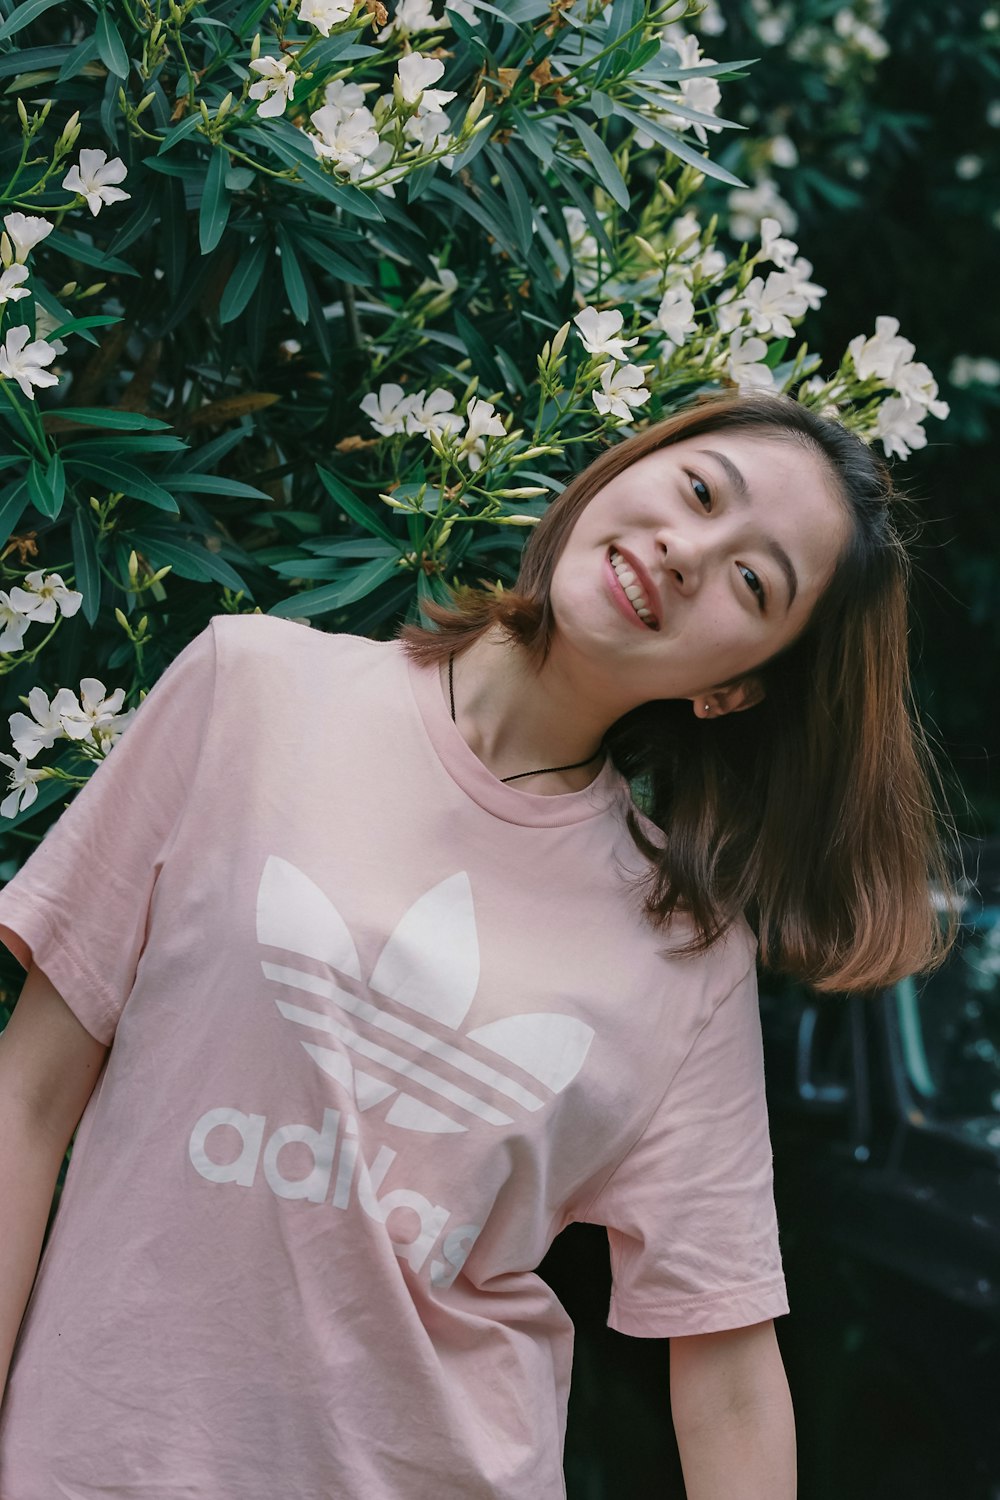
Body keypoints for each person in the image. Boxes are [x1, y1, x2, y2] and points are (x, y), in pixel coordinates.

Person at [0, 389, 953, 1499]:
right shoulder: (249, 688)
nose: (686, 554)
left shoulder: (681, 949)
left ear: (733, 688)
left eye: (752, 582)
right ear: (616, 471)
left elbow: (727, 1361)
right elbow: (27, 1100)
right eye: (698, 492)